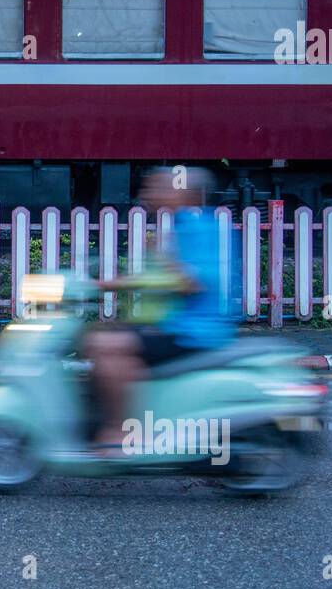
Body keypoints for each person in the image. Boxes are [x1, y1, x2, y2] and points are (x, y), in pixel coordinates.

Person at [82, 167, 236, 456]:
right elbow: (169, 277)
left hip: (194, 332)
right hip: (177, 324)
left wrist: (125, 281)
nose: (149, 195)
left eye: (160, 188)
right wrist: (108, 284)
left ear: (185, 194)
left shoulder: (197, 227)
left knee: (105, 344)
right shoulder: (186, 223)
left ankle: (121, 431)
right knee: (100, 336)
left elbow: (192, 283)